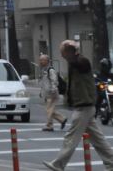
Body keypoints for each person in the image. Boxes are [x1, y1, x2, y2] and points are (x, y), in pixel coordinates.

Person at [44, 41, 113, 171]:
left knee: (71, 137)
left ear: (69, 52)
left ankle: (59, 164)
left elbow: (74, 62)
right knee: (98, 140)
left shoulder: (83, 61)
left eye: (63, 52)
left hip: (84, 107)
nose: (62, 55)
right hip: (84, 106)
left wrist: (71, 49)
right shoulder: (75, 64)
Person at [40, 54, 67, 132]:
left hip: (51, 94)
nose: (40, 61)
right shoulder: (44, 70)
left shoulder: (51, 70)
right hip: (47, 94)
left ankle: (49, 126)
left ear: (46, 61)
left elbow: (54, 82)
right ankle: (62, 119)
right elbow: (44, 83)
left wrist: (53, 92)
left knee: (49, 110)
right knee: (49, 110)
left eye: (41, 60)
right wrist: (41, 91)